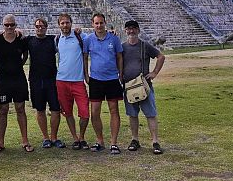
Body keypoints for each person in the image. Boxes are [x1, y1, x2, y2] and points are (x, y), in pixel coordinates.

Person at [122, 20, 166, 155]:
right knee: (132, 114)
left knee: (150, 114)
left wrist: (154, 73)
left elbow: (160, 57)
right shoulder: (122, 47)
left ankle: (155, 141)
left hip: (144, 86)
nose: (131, 31)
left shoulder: (145, 46)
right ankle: (135, 139)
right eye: (129, 29)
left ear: (138, 30)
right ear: (125, 31)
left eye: (134, 28)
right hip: (129, 86)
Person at [0, 14, 34, 153]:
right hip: (3, 80)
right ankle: (0, 142)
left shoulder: (21, 40)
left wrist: (18, 65)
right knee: (3, 110)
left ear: (15, 25)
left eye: (11, 25)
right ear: (3, 26)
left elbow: (26, 55)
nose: (9, 27)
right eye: (6, 25)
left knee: (20, 109)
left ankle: (25, 140)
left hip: (18, 79)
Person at [83, 13, 124, 154]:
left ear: (105, 23)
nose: (99, 26)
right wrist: (86, 74)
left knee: (114, 110)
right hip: (96, 80)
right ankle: (100, 140)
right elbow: (85, 57)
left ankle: (114, 142)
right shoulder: (88, 39)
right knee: (95, 112)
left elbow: (119, 57)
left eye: (101, 23)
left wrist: (121, 73)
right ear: (92, 24)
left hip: (112, 79)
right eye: (96, 23)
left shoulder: (114, 39)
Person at [25, 18, 65, 149]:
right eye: (37, 26)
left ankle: (54, 137)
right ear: (34, 27)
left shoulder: (52, 40)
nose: (39, 28)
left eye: (42, 26)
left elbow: (67, 36)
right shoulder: (29, 41)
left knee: (55, 109)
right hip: (36, 80)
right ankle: (45, 138)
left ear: (46, 27)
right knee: (40, 109)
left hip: (52, 79)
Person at [56, 13, 90, 150]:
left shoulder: (80, 36)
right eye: (62, 23)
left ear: (71, 23)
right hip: (61, 81)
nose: (65, 25)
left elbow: (95, 37)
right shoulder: (57, 39)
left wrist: (111, 32)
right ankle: (75, 138)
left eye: (67, 22)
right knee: (67, 112)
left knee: (85, 113)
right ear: (59, 25)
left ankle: (82, 136)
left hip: (77, 81)